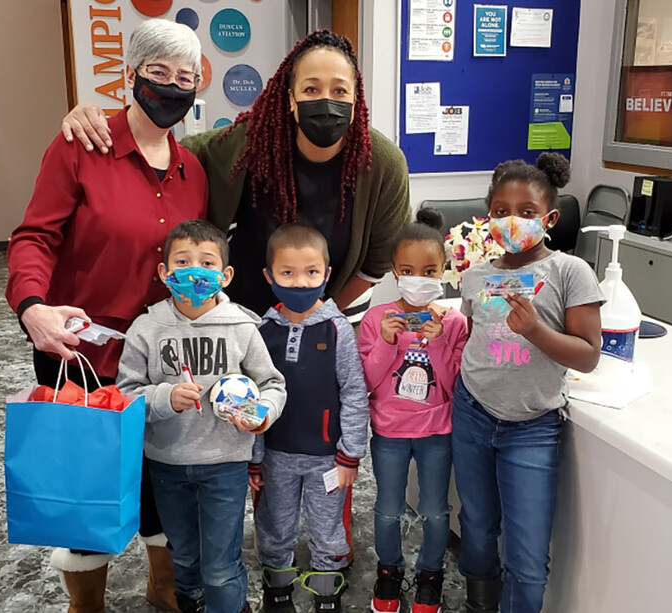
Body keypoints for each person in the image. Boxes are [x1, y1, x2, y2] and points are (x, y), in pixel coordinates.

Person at [4, 19, 208, 613]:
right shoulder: (80, 146)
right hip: (79, 356)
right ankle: (85, 601)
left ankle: (162, 584)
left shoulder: (192, 169)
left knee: (162, 477)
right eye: (159, 73)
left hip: (163, 360)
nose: (173, 87)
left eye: (186, 77)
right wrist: (32, 309)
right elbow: (33, 238)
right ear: (131, 75)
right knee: (82, 483)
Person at [60, 30, 411, 316]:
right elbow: (164, 147)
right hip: (239, 314)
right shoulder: (251, 142)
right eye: (311, 89)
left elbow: (376, 263)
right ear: (290, 99)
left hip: (332, 312)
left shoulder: (382, 165)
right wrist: (101, 120)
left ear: (355, 99)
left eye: (339, 90)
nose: (325, 100)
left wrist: (318, 314)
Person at [451, 154, 604, 612]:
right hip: (473, 411)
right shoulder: (477, 275)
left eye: (526, 212)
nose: (512, 221)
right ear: (488, 217)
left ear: (549, 218)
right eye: (500, 211)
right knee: (476, 525)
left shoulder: (569, 272)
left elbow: (589, 355)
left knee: (528, 553)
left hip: (533, 425)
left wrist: (536, 330)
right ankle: (480, 601)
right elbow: (472, 333)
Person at [118, 220, 287, 613]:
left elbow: (272, 384)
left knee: (220, 565)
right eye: (182, 261)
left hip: (225, 464)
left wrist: (261, 415)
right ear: (164, 272)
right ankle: (190, 601)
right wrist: (164, 397)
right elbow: (125, 395)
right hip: (167, 463)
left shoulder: (243, 327)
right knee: (183, 557)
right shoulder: (146, 329)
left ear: (225, 276)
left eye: (207, 263)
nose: (195, 270)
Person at [249, 225, 369, 613]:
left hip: (327, 458)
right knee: (275, 524)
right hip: (276, 455)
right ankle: (278, 589)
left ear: (327, 274)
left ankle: (326, 589)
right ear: (269, 276)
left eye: (311, 272)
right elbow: (251, 399)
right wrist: (254, 457)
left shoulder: (337, 329)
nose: (300, 282)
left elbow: (353, 392)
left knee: (327, 525)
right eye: (287, 273)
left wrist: (350, 453)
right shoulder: (260, 331)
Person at [357, 208, 468, 613]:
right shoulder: (374, 319)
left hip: (437, 432)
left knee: (436, 511)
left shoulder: (454, 322)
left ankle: (430, 574)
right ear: (393, 271)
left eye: (429, 271)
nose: (418, 280)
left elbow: (454, 383)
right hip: (388, 432)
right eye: (408, 270)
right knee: (387, 509)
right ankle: (389, 572)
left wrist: (438, 342)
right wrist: (386, 342)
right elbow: (366, 382)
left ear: (443, 271)